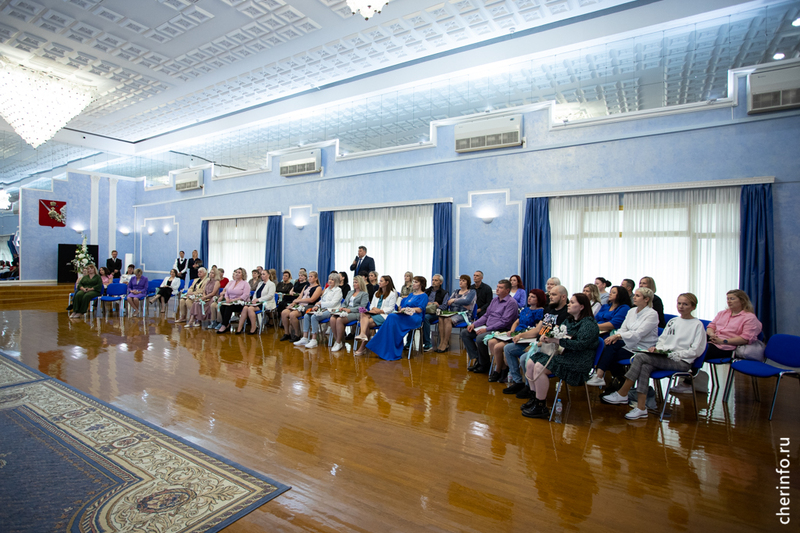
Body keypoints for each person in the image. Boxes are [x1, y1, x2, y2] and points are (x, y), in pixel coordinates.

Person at [601, 293, 707, 419]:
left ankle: (623, 393)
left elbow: (696, 350)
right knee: (645, 366)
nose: (681, 306)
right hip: (665, 357)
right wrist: (657, 349)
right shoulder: (673, 322)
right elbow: (662, 340)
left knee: (640, 357)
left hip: (682, 361)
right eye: (679, 303)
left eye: (685, 304)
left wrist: (673, 354)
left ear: (693, 307)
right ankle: (641, 408)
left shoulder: (697, 325)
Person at [520, 293, 600, 418]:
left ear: (582, 307)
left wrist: (557, 341)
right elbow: (558, 333)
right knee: (531, 361)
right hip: (566, 356)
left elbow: (580, 345)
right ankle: (534, 399)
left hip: (579, 361)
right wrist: (548, 336)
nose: (569, 304)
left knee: (539, 367)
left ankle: (541, 406)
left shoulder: (588, 324)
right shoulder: (569, 320)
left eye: (573, 302)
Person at [502, 285, 570, 397]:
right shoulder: (548, 309)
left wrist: (538, 343)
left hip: (550, 347)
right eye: (550, 294)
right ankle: (518, 381)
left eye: (554, 295)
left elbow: (557, 335)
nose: (550, 297)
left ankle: (530, 388)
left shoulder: (566, 313)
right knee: (508, 349)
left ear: (563, 297)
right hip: (537, 342)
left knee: (525, 358)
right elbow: (539, 330)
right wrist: (521, 336)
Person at [587, 287, 659, 388]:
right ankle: (612, 379)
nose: (634, 297)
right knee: (609, 344)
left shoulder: (652, 314)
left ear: (646, 299)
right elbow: (623, 328)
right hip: (627, 343)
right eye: (634, 295)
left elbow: (639, 334)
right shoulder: (632, 311)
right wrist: (615, 336)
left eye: (637, 296)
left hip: (642, 347)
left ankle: (605, 377)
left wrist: (618, 336)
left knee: (609, 353)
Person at [359, 276, 429, 360]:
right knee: (391, 317)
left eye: (416, 282)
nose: (413, 284)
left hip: (414, 318)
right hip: (405, 315)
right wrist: (401, 309)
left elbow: (420, 309)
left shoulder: (424, 296)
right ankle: (386, 348)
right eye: (413, 282)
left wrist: (408, 309)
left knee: (391, 316)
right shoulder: (411, 295)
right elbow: (402, 306)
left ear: (421, 284)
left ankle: (382, 346)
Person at [487, 288, 546, 383]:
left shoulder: (541, 312)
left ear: (539, 299)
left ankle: (504, 371)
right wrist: (512, 329)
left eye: (533, 297)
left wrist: (520, 335)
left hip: (525, 338)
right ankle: (500, 370)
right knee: (492, 342)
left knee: (498, 347)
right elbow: (517, 321)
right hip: (516, 334)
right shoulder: (525, 310)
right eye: (529, 296)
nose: (529, 298)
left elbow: (536, 330)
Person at [461, 279, 519, 373]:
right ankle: (478, 359)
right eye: (497, 287)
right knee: (465, 333)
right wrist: (474, 324)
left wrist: (486, 329)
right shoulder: (495, 300)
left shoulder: (511, 303)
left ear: (507, 290)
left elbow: (504, 322)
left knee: (480, 338)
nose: (497, 289)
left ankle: (484, 364)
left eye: (500, 288)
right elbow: (486, 315)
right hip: (488, 327)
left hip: (501, 330)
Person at [706, 289, 763, 363]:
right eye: (728, 299)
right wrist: (712, 334)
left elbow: (746, 339)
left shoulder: (749, 317)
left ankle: (692, 371)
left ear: (742, 301)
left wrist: (723, 341)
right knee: (691, 344)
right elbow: (711, 326)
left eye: (732, 299)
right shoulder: (722, 313)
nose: (729, 301)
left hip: (728, 347)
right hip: (714, 340)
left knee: (699, 350)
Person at [296, 273, 343, 348]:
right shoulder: (327, 289)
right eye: (329, 279)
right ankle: (305, 338)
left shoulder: (338, 290)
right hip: (322, 309)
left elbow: (333, 303)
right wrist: (317, 306)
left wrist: (321, 304)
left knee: (314, 317)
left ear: (336, 281)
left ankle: (314, 339)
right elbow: (321, 300)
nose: (330, 281)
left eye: (332, 280)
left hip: (331, 310)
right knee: (306, 315)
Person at [434, 275, 477, 353]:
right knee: (441, 318)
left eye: (463, 280)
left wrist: (454, 300)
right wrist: (457, 301)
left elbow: (467, 301)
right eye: (460, 280)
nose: (461, 282)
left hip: (464, 314)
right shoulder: (456, 291)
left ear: (468, 282)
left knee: (447, 319)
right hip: (453, 313)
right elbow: (449, 302)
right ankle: (442, 342)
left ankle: (445, 343)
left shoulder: (471, 292)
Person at [354, 275, 397, 346]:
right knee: (363, 314)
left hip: (384, 315)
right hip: (374, 313)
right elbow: (371, 305)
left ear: (387, 282)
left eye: (381, 281)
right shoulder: (376, 293)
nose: (379, 282)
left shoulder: (392, 294)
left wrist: (379, 311)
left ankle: (363, 345)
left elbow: (391, 308)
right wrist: (374, 309)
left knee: (366, 323)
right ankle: (364, 337)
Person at [330, 275, 370, 352]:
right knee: (332, 318)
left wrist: (349, 310)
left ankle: (338, 342)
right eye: (353, 282)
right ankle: (338, 341)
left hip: (356, 313)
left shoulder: (364, 294)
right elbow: (345, 303)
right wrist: (343, 308)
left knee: (339, 320)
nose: (354, 284)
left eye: (356, 282)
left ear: (360, 283)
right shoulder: (350, 292)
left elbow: (362, 307)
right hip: (345, 311)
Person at [280, 271, 323, 341]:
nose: (309, 278)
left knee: (292, 314)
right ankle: (287, 333)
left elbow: (312, 300)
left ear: (316, 278)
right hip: (300, 304)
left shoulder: (318, 288)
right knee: (284, 312)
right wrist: (293, 303)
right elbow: (300, 297)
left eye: (311, 276)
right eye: (309, 276)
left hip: (310, 306)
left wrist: (299, 301)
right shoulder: (306, 286)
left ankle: (297, 334)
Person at [238, 269, 276, 334]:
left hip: (265, 303)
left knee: (250, 309)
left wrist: (258, 300)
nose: (262, 276)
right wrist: (254, 300)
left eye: (264, 274)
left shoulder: (271, 284)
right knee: (245, 308)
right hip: (257, 303)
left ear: (268, 275)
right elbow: (255, 293)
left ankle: (254, 327)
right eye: (261, 274)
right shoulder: (260, 283)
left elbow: (270, 296)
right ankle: (239, 328)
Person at [216, 268, 251, 334]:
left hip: (240, 303)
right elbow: (227, 292)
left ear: (243, 274)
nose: (237, 274)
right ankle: (227, 324)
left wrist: (233, 300)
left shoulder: (245, 284)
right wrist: (227, 298)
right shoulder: (231, 282)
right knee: (222, 307)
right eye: (236, 272)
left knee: (229, 308)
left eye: (239, 272)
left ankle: (224, 325)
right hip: (230, 301)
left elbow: (245, 295)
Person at [421, 274, 447, 351]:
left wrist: (437, 306)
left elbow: (445, 306)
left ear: (441, 282)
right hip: (424, 310)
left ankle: (427, 343)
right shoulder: (426, 291)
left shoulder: (444, 293)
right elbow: (422, 302)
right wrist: (431, 303)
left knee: (425, 318)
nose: (433, 282)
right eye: (433, 280)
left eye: (436, 280)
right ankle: (409, 341)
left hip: (436, 313)